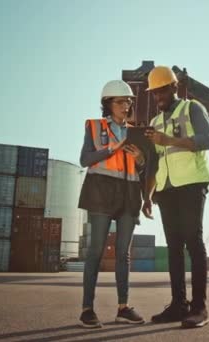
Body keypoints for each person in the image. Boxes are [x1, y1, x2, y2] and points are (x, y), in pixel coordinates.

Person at [142, 66, 209, 329]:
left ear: (174, 87)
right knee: (173, 248)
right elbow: (153, 163)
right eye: (154, 92)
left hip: (192, 183)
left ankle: (199, 308)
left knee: (193, 242)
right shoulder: (154, 123)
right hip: (165, 189)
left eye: (162, 89)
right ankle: (178, 305)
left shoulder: (192, 108)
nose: (158, 96)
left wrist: (168, 139)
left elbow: (207, 140)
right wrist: (147, 196)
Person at [77, 80, 146, 328]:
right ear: (108, 104)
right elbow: (85, 159)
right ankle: (87, 309)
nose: (126, 105)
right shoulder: (95, 127)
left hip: (129, 193)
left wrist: (140, 160)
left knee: (123, 255)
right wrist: (112, 148)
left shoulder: (137, 131)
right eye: (120, 101)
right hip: (101, 191)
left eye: (128, 101)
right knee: (95, 251)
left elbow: (145, 169)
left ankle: (123, 308)